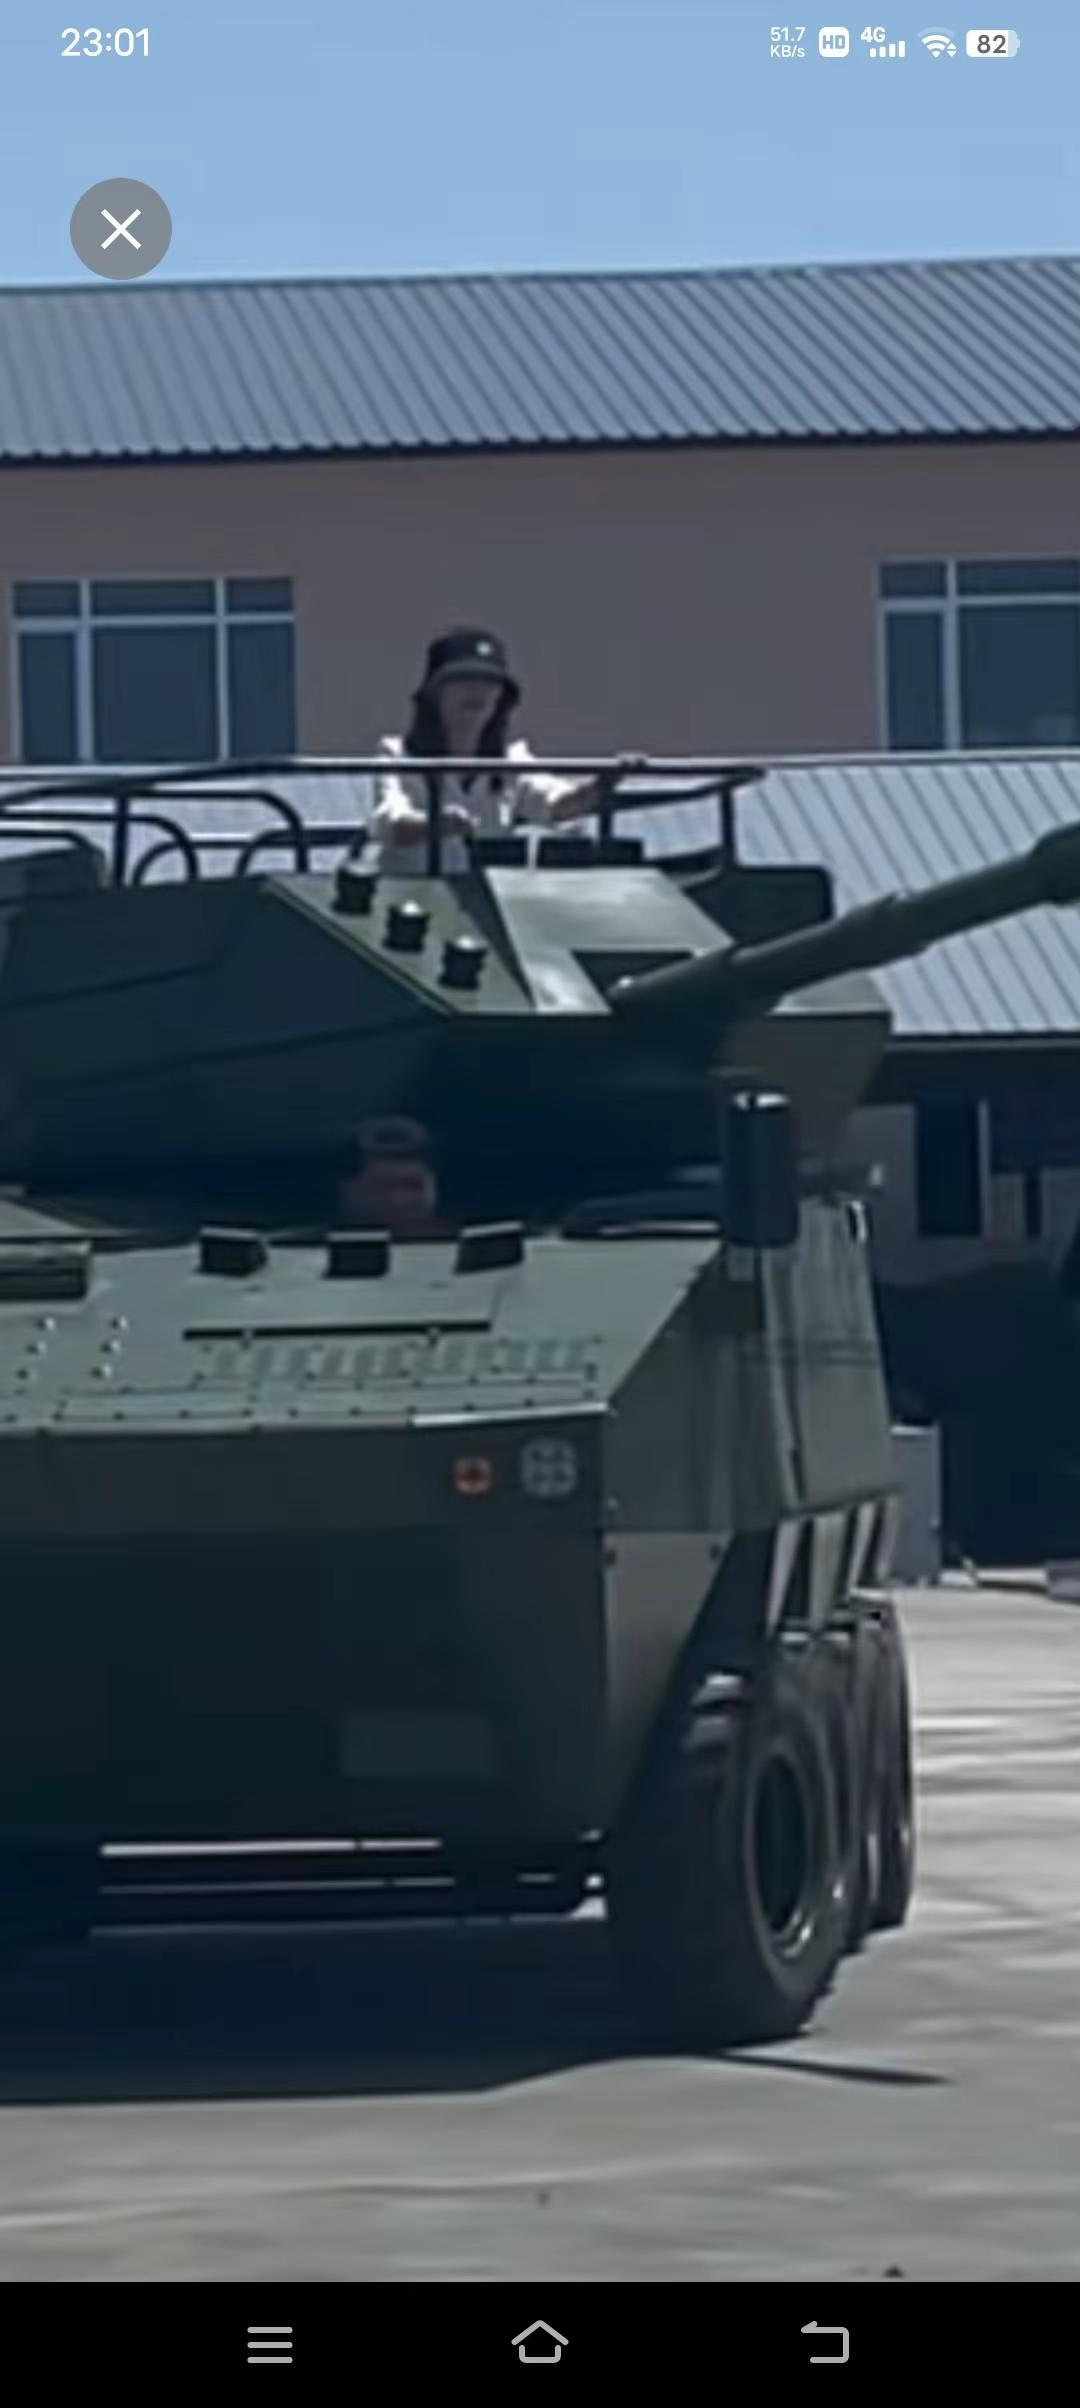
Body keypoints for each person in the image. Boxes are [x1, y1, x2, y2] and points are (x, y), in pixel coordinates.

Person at [365, 626, 644, 873]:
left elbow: (556, 804)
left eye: (489, 682)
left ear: (501, 698)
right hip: (409, 894)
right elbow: (389, 823)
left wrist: (604, 783)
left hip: (488, 902)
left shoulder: (511, 761)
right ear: (434, 693)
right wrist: (438, 824)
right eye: (462, 679)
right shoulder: (397, 754)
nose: (476, 690)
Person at [333, 1116, 446, 1238]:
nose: (400, 1200)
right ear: (348, 1191)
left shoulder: (451, 1242)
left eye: (412, 1186)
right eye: (381, 1187)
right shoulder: (322, 1245)